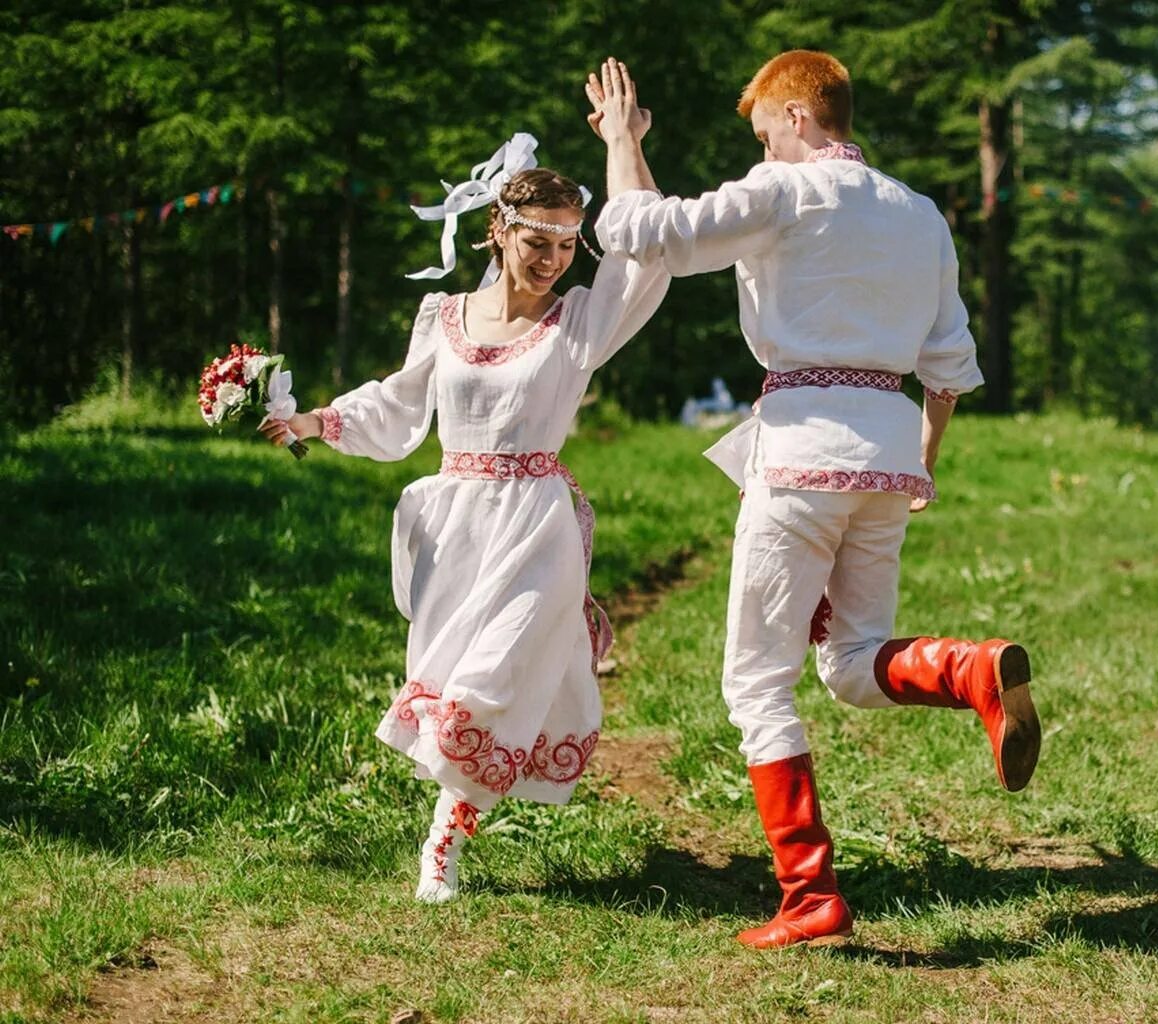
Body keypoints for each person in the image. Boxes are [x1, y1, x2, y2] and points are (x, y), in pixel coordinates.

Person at [586, 53, 1041, 948]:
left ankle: (810, 896)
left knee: (756, 682)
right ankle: (971, 671)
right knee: (850, 661)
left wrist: (617, 142)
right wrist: (922, 466)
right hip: (885, 454)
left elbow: (643, 231)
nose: (762, 149)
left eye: (764, 133)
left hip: (799, 451)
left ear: (798, 117)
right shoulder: (921, 214)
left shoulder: (783, 191)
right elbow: (949, 366)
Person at [260, 134, 668, 902]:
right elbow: (400, 401)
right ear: (498, 231)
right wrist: (313, 421)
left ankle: (441, 846)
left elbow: (646, 256)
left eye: (568, 242)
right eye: (536, 239)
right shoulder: (443, 316)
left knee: (493, 678)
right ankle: (453, 825)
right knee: (452, 688)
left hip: (536, 526)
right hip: (454, 529)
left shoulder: (580, 322)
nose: (552, 257)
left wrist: (624, 142)